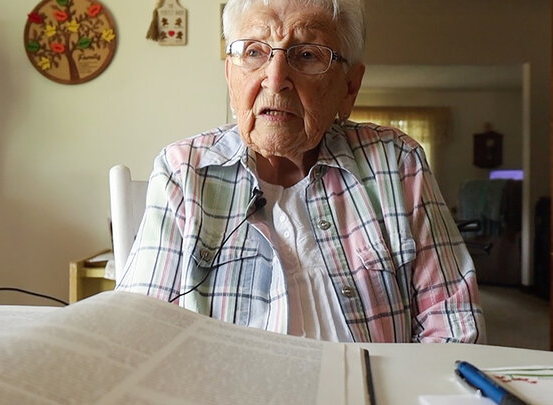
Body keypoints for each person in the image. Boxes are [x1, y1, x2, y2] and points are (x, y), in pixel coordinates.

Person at [116, 0, 485, 344]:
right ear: (231, 76)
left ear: (349, 87)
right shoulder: (184, 170)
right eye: (254, 52)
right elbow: (138, 334)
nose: (275, 80)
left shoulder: (396, 163)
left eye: (307, 54)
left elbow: (454, 327)